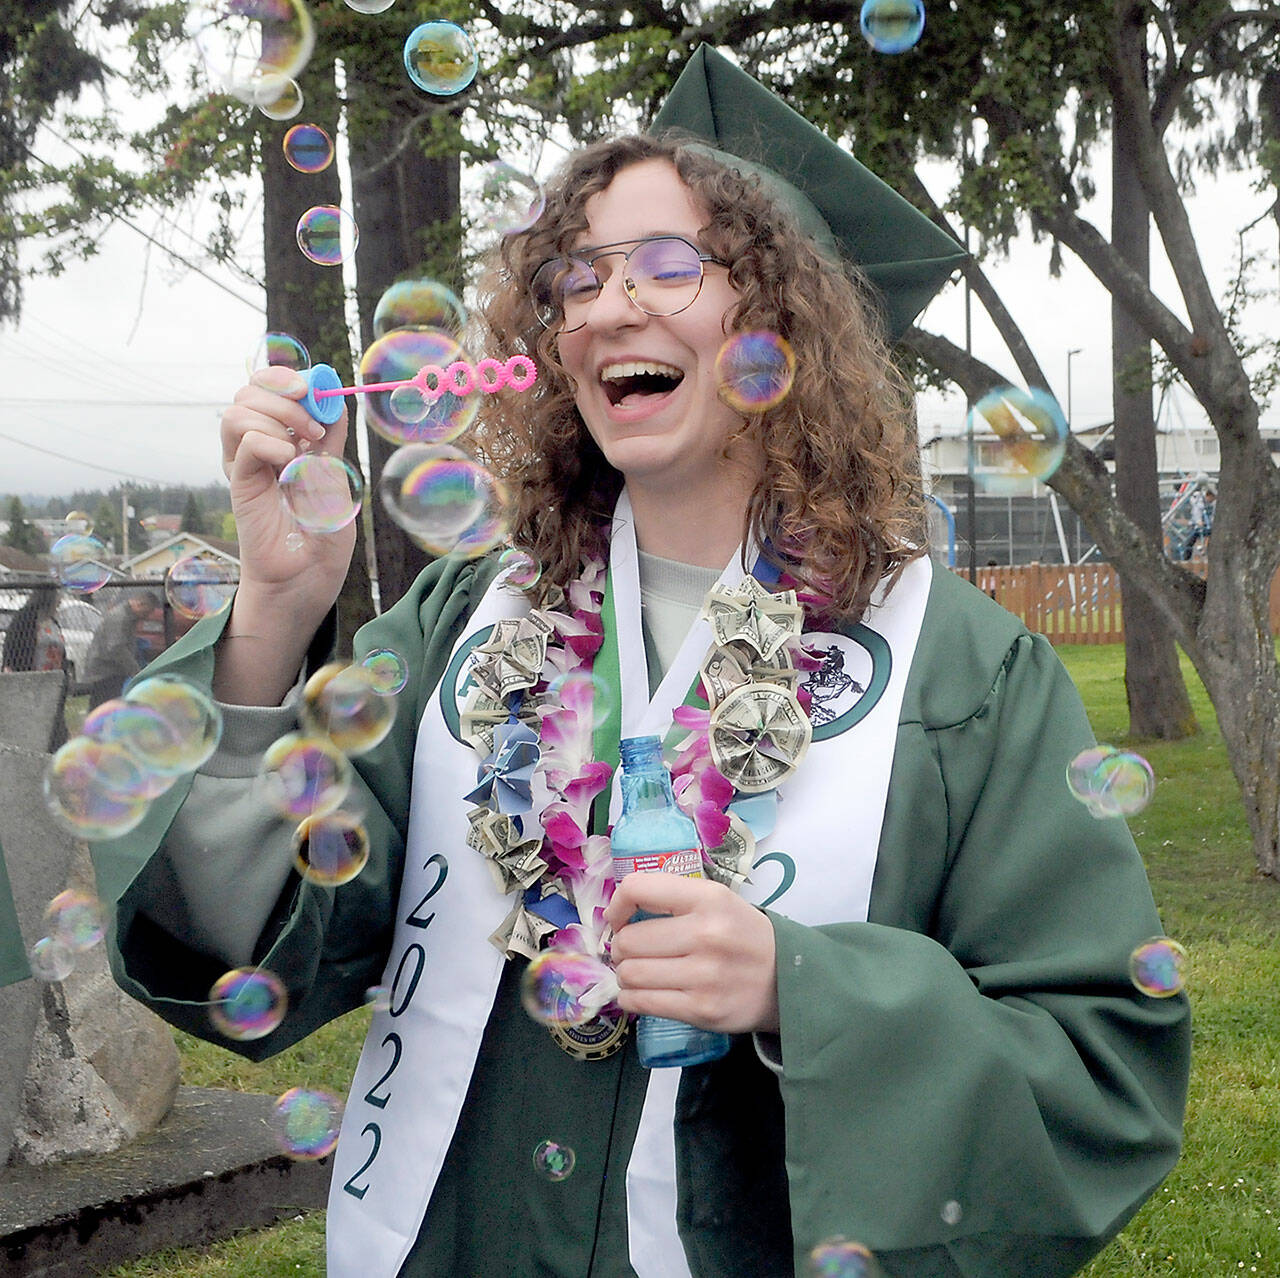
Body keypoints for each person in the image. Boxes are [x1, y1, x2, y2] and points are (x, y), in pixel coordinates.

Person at [91, 46, 1189, 1278]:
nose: (611, 306)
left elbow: (1097, 1069)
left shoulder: (957, 675)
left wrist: (804, 989)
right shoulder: (467, 626)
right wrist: (273, 615)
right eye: (578, 276)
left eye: (672, 264)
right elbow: (249, 934)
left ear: (785, 327)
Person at [82, 589, 161, 709]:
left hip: (113, 670)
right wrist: (135, 670)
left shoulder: (128, 617)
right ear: (140, 604)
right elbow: (116, 648)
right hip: (105, 672)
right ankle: (100, 727)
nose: (147, 617)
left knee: (107, 705)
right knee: (102, 705)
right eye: (147, 612)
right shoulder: (120, 618)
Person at [2, 585, 65, 674]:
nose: (60, 601)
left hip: (53, 676)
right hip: (31, 673)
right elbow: (12, 646)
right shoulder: (26, 618)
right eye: (58, 596)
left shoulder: (53, 622)